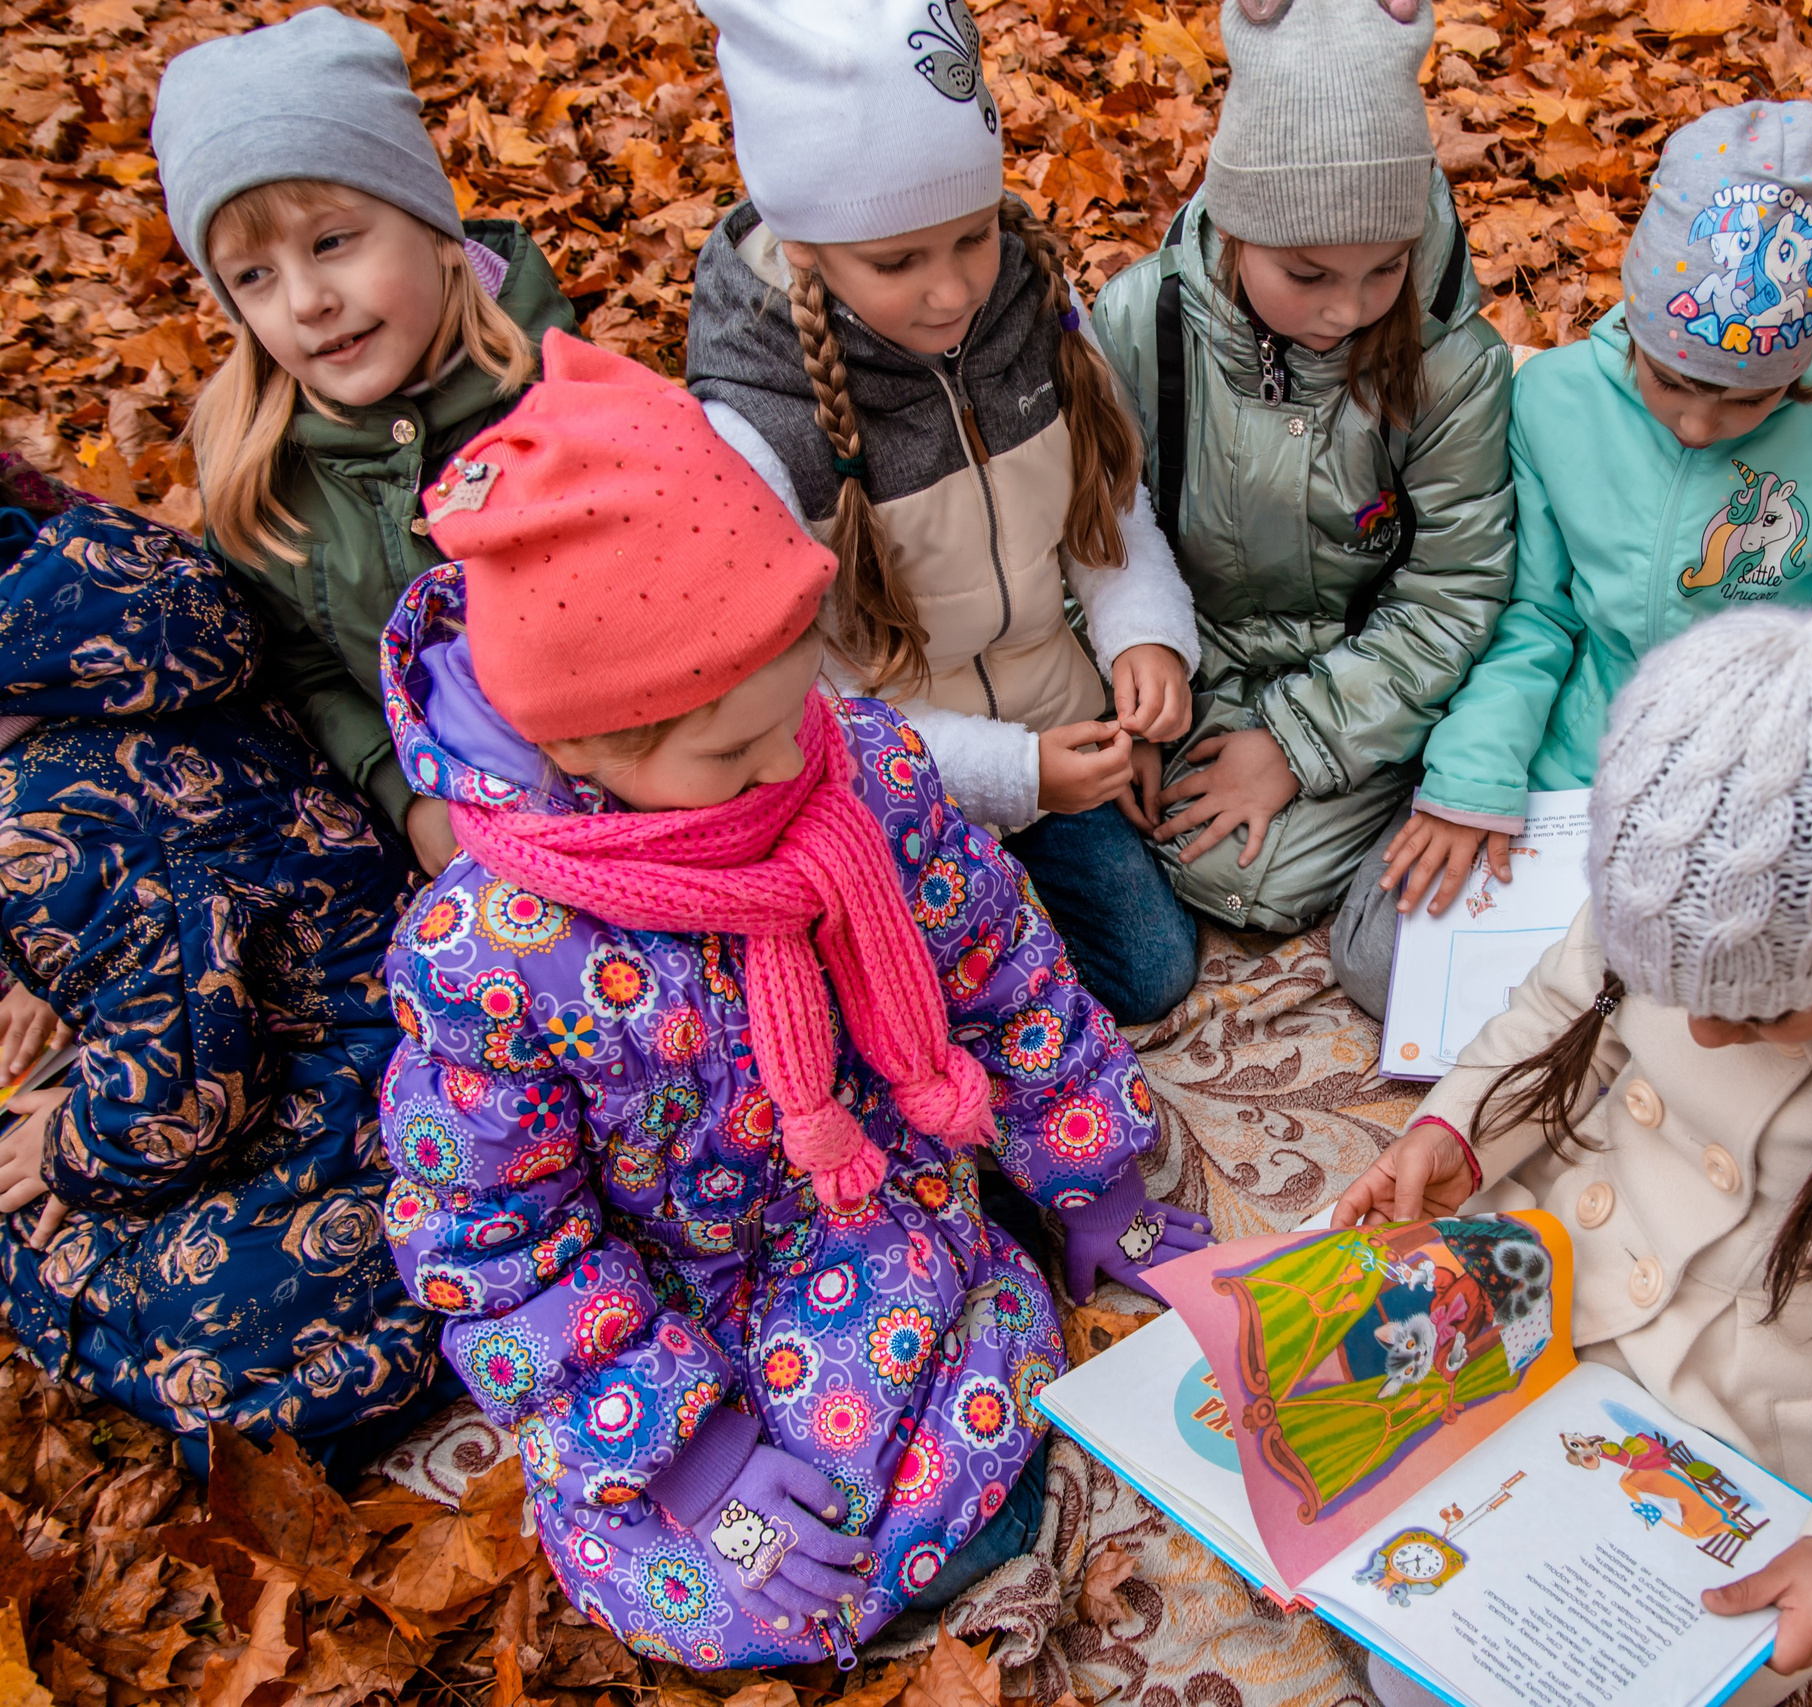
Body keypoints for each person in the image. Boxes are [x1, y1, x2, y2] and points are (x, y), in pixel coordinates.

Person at [377, 333, 1207, 1668]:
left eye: (797, 705)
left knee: (920, 1462)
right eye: (732, 750)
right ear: (578, 741)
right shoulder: (490, 955)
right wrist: (685, 1448)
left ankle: (936, 1461)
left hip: (869, 1212)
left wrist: (1093, 1178)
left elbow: (1002, 972)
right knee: (735, 1560)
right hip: (663, 1291)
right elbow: (494, 1237)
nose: (788, 766)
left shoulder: (861, 771)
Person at [1333, 603, 1812, 1707]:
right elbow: (1559, 1011)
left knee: (1546, 1666)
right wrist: (1459, 1131)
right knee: (1375, 1529)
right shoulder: (1676, 862)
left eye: (1752, 1015)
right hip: (1565, 1266)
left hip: (1743, 1411)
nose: (1697, 1034)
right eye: (1670, 988)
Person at [1346, 103, 1812, 1016]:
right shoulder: (1557, 400)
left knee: (1724, 995)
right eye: (1672, 382)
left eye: (1747, 402)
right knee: (1386, 958)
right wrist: (1474, 779)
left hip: (1756, 789)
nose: (1696, 424)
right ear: (1638, 323)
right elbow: (1532, 612)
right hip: (1576, 764)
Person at [684, 0, 1203, 1027]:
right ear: (807, 247)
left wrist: (1141, 640)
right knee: (911, 1009)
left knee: (1152, 971)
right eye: (898, 263)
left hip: (1056, 721)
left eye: (973, 237)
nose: (953, 290)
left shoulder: (1036, 310)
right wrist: (1014, 776)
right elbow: (805, 701)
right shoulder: (756, 430)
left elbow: (1107, 514)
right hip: (889, 778)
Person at [0, 453, 450, 1485]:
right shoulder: (106, 614)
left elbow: (189, 1089)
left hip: (367, 1091)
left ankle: (461, 1318)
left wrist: (73, 1149)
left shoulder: (40, 812)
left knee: (191, 1329)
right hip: (399, 995)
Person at [1090, 0, 1516, 953]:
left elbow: (1453, 591)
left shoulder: (1452, 365)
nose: (1348, 310)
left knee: (1245, 874)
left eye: (1385, 271)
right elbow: (1096, 528)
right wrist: (1132, 695)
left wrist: (1294, 744)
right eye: (1308, 274)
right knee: (1143, 834)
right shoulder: (1140, 325)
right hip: (1190, 660)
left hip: (1362, 677)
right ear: (1237, 228)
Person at [151, 7, 578, 871]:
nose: (306, 300)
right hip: (465, 844)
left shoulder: (565, 394)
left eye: (333, 241)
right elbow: (301, 664)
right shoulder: (263, 474)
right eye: (254, 276)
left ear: (432, 225)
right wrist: (399, 786)